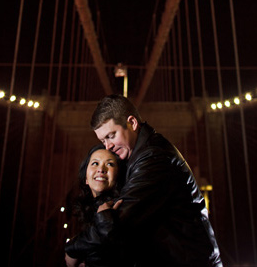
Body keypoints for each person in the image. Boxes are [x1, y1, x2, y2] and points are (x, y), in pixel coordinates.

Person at [65, 95, 223, 267]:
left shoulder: (154, 157)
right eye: (103, 140)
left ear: (132, 123)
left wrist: (72, 249)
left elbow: (116, 222)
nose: (108, 146)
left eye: (111, 135)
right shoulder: (137, 157)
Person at [66, 144, 128, 267]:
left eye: (110, 164)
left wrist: (73, 250)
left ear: (118, 176)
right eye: (95, 163)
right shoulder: (91, 210)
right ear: (86, 179)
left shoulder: (123, 206)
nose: (101, 169)